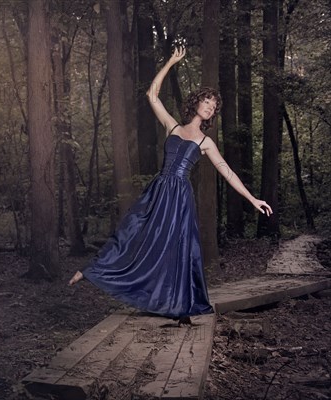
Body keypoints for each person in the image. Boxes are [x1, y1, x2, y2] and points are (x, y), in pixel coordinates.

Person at [68, 47, 272, 325]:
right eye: (207, 101)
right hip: (158, 190)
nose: (210, 106)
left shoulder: (205, 142)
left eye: (214, 106)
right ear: (197, 102)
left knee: (178, 248)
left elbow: (228, 173)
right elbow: (152, 94)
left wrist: (252, 199)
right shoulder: (173, 127)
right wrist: (171, 62)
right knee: (134, 232)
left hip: (180, 198)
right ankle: (94, 271)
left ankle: (180, 307)